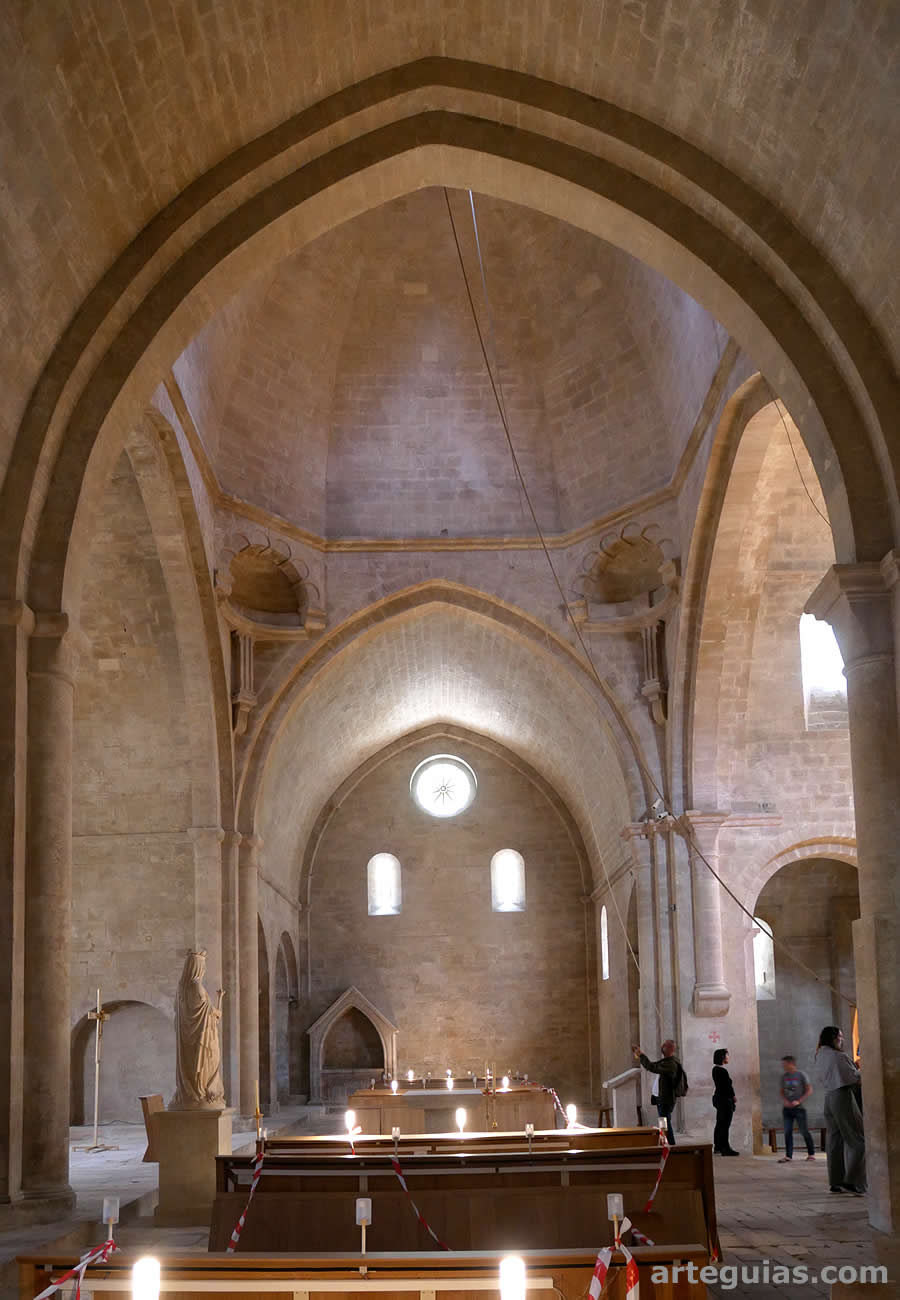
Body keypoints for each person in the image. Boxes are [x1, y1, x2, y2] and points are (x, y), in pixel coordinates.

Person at [815, 1025, 865, 1195]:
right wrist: (862, 1069)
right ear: (834, 1038)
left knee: (834, 1141)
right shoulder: (838, 1056)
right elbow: (853, 1078)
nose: (842, 1040)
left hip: (828, 1098)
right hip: (842, 1096)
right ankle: (852, 1182)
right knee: (859, 1141)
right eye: (840, 1037)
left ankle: (835, 1182)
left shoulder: (821, 1054)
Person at [632, 1039, 686, 1145]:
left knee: (665, 1123)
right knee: (663, 1122)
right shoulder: (667, 1061)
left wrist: (641, 1055)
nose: (662, 1046)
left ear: (671, 1048)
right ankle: (665, 1143)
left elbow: (651, 1067)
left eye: (665, 1045)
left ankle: (671, 1145)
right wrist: (641, 1055)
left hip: (666, 1099)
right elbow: (652, 1064)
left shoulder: (671, 1063)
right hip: (661, 1098)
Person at [778, 1054, 816, 1162]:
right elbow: (781, 1091)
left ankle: (811, 1154)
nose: (783, 1066)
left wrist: (799, 1101)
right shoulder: (784, 1077)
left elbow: (809, 1090)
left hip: (799, 1108)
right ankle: (788, 1156)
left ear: (791, 1064)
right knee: (787, 1131)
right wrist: (785, 1100)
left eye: (785, 1064)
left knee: (804, 1130)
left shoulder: (801, 1075)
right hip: (787, 1109)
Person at [711, 1048, 739, 1155]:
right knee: (725, 1125)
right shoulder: (722, 1070)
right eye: (727, 1055)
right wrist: (733, 1097)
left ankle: (718, 1146)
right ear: (723, 1057)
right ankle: (725, 1148)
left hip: (719, 1098)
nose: (728, 1057)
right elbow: (727, 1086)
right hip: (724, 1100)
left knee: (720, 1123)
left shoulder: (715, 1069)